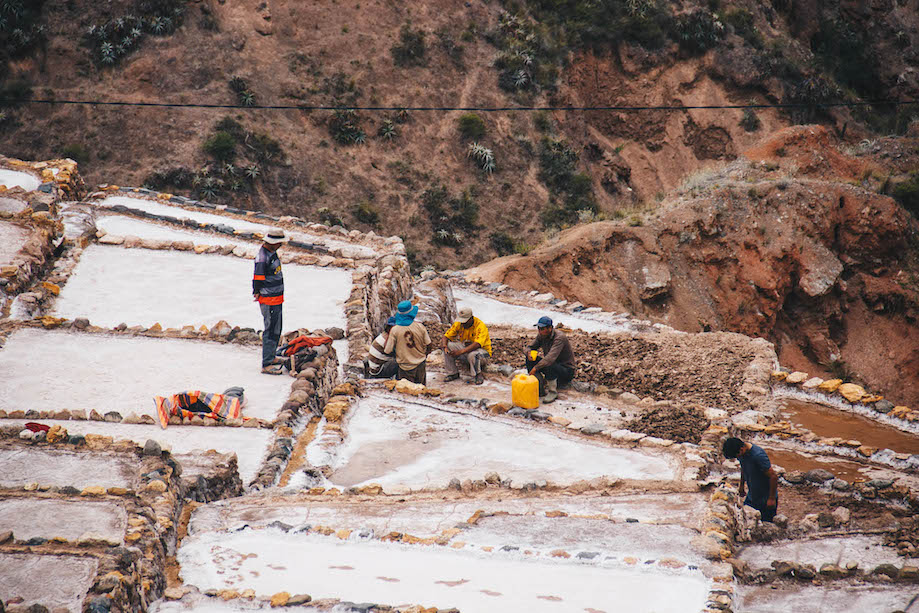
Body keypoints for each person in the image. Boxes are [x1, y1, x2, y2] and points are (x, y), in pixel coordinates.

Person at [253, 228, 288, 375]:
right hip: (269, 299)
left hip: (276, 298)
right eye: (279, 243)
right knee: (270, 330)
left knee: (276, 329)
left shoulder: (272, 253)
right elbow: (258, 279)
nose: (281, 245)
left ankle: (272, 356)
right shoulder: (263, 258)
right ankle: (267, 363)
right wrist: (257, 293)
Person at [722, 437, 779, 522]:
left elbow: (773, 476)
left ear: (741, 449)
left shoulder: (758, 456)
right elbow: (743, 467)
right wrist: (741, 486)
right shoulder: (742, 453)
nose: (738, 458)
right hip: (752, 495)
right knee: (746, 520)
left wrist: (771, 498)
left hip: (765, 497)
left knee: (765, 525)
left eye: (737, 456)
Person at [525, 316, 575, 403]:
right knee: (530, 359)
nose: (539, 331)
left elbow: (550, 358)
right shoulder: (541, 335)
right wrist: (529, 353)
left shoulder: (559, 338)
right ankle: (539, 387)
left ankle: (552, 392)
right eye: (539, 328)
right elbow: (530, 347)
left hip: (566, 370)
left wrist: (536, 368)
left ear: (550, 328)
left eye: (542, 328)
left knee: (548, 362)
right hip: (553, 367)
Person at [384, 300, 433, 385]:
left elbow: (387, 350)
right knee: (421, 391)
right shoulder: (420, 327)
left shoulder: (395, 330)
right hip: (420, 364)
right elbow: (429, 344)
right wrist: (424, 355)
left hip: (405, 367)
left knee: (407, 393)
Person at [442, 306, 492, 385]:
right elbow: (446, 336)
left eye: (465, 321)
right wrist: (445, 347)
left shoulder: (480, 326)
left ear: (471, 318)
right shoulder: (459, 324)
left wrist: (460, 352)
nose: (463, 323)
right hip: (466, 348)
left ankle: (477, 375)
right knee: (449, 346)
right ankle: (452, 373)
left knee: (473, 355)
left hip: (482, 353)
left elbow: (477, 344)